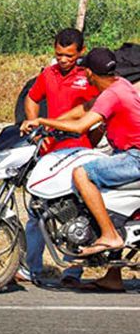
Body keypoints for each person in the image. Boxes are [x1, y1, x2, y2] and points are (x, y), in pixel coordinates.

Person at [23, 48, 140, 287]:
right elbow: (85, 108)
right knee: (106, 204)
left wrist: (42, 120)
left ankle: (109, 236)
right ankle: (113, 277)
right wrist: (53, 125)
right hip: (127, 154)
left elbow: (81, 127)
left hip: (134, 158)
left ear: (89, 72)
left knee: (82, 173)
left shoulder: (112, 94)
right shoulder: (119, 85)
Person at [18, 28, 95, 287]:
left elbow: (94, 111)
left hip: (77, 150)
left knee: (75, 212)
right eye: (59, 54)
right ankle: (31, 268)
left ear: (80, 52)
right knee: (37, 212)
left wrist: (89, 143)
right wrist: (33, 121)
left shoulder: (88, 76)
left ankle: (72, 272)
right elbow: (32, 97)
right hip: (48, 152)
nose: (63, 60)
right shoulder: (47, 74)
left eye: (69, 56)